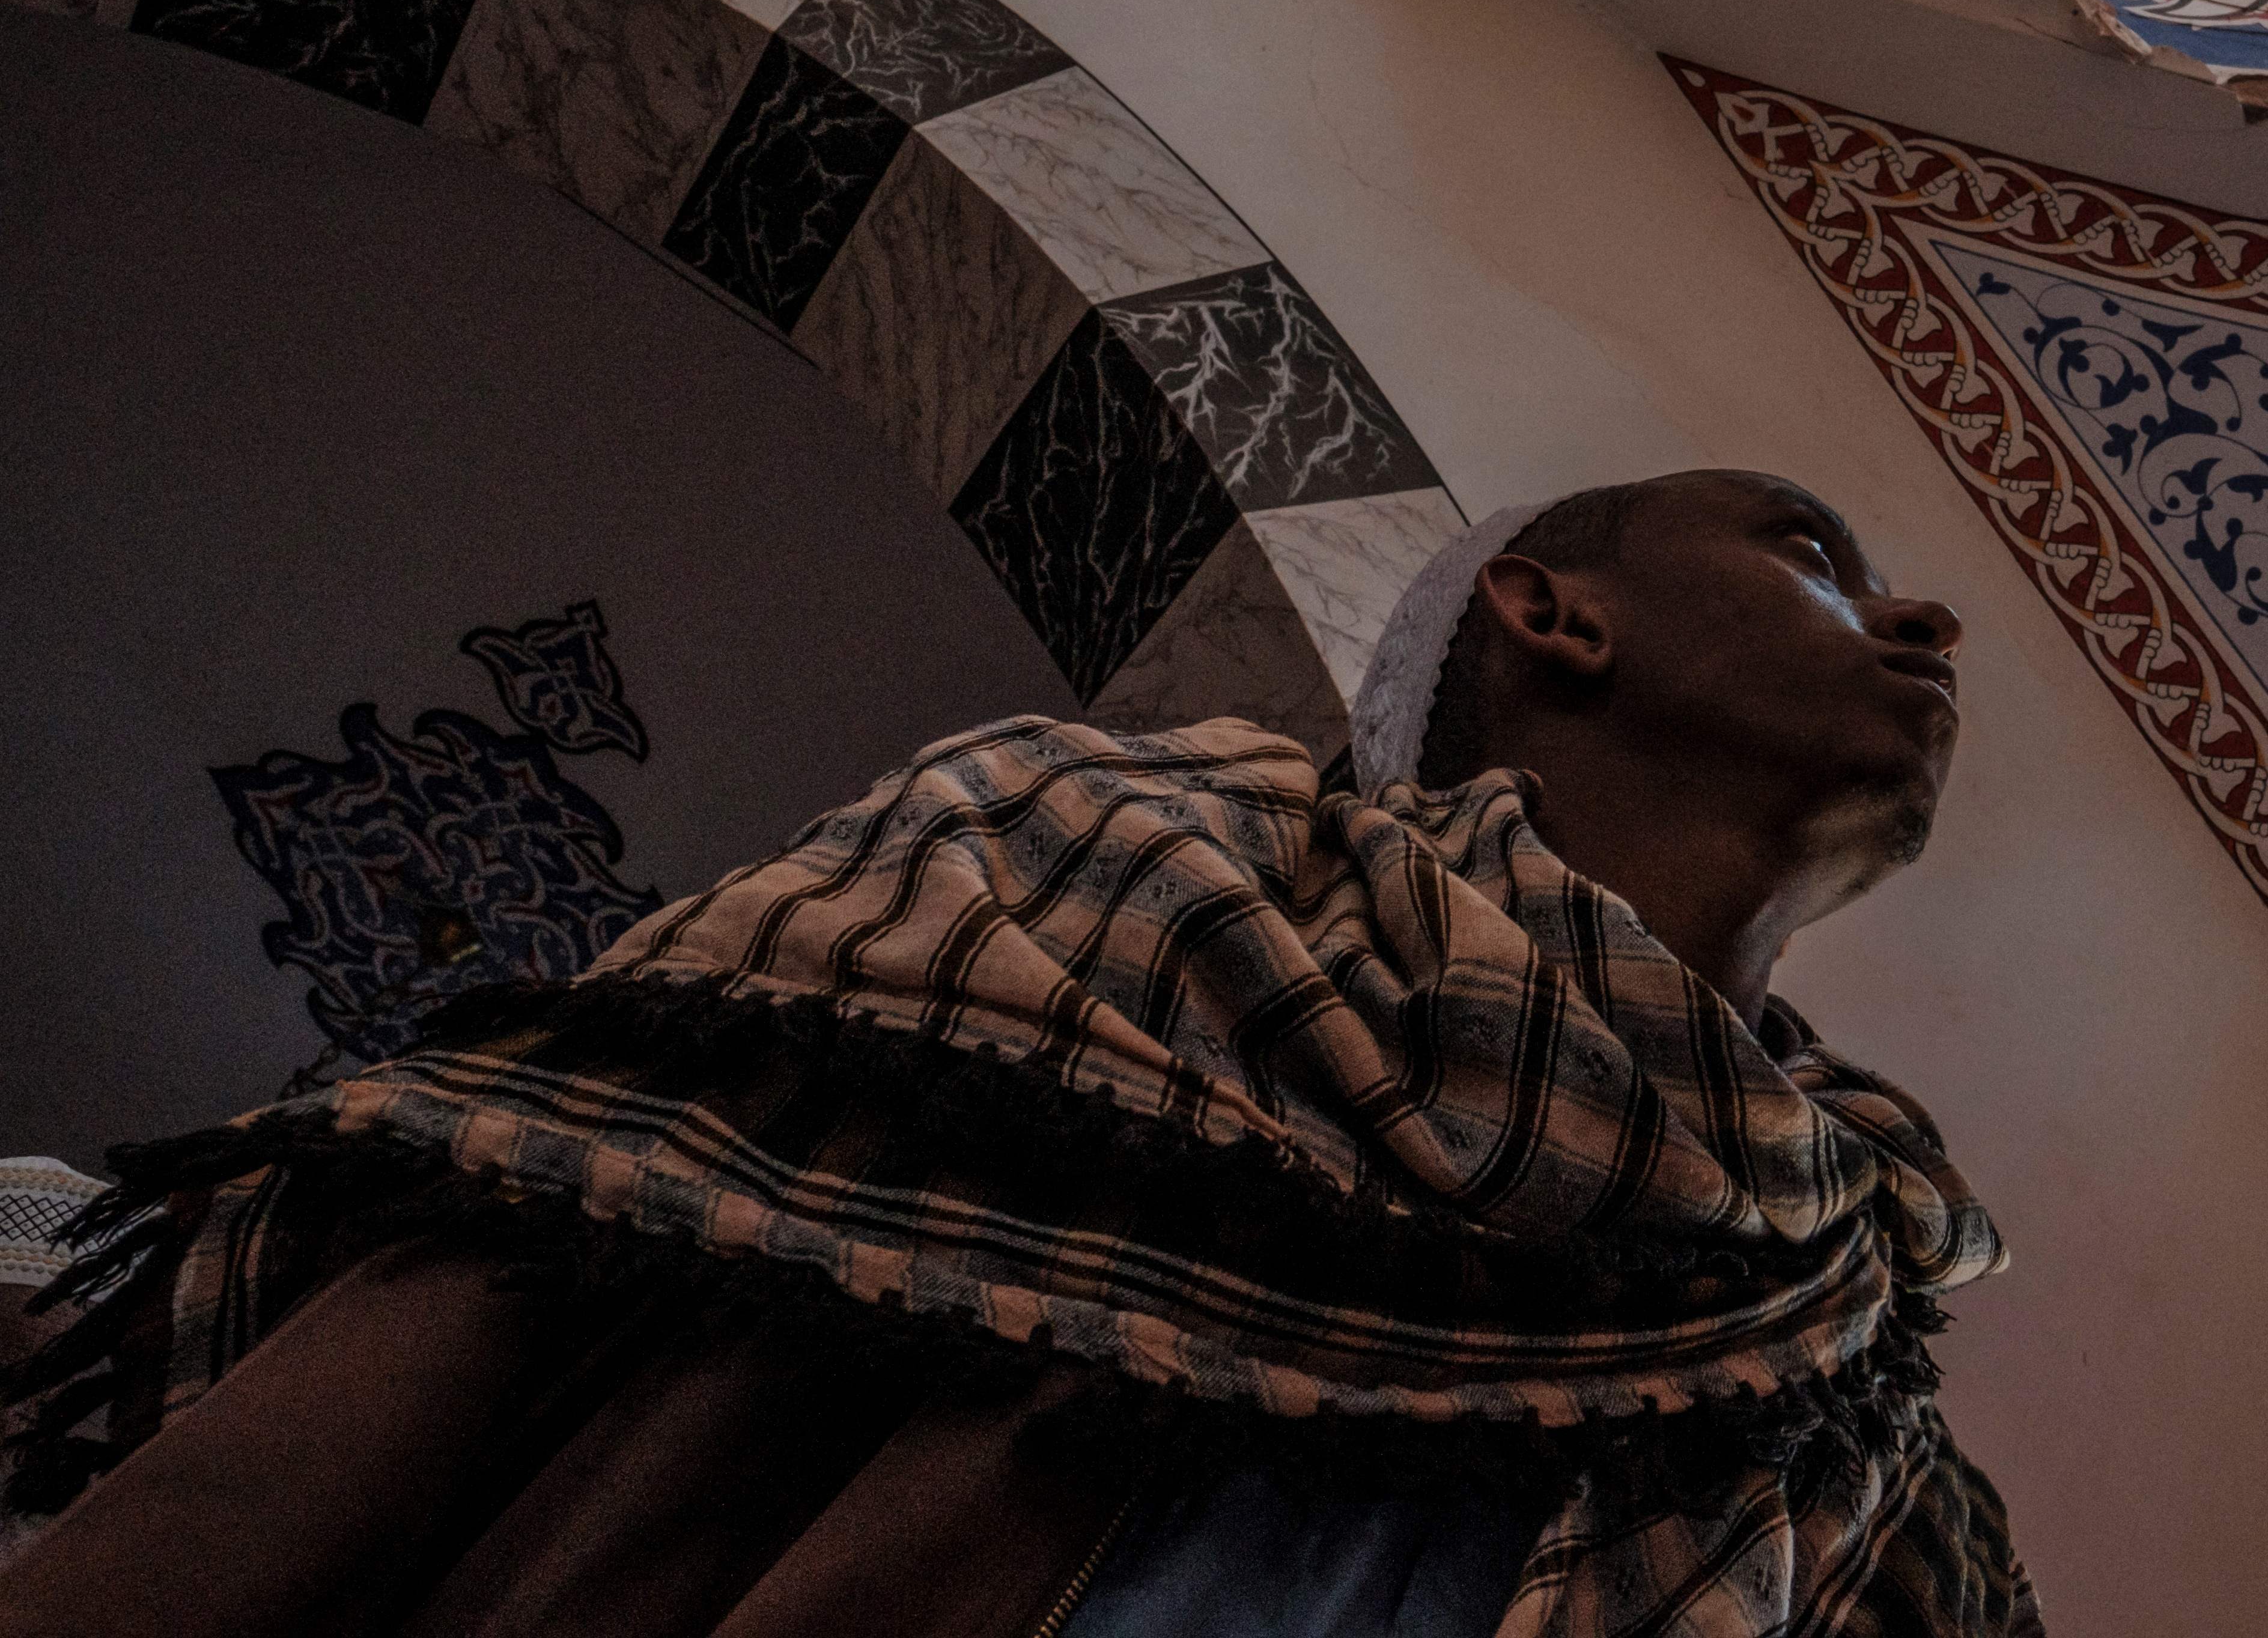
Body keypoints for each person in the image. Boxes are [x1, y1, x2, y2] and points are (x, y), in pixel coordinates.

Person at [0, 470, 2038, 1638]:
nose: (1924, 622)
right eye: (1814, 553)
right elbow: (459, 1321)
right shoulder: (1088, 867)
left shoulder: (1850, 1401)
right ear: (1548, 611)